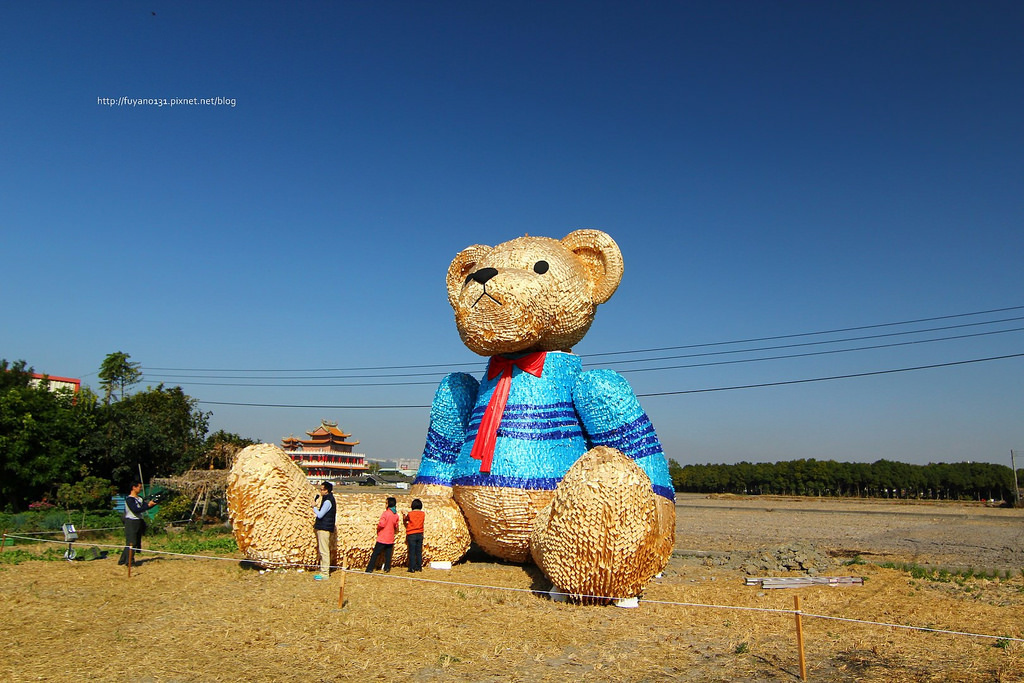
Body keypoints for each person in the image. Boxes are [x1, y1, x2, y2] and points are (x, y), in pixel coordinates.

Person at [118, 481, 156, 566]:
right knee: (132, 542)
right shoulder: (129, 499)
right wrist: (148, 506)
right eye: (139, 487)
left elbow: (143, 508)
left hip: (139, 521)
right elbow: (135, 510)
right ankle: (129, 562)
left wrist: (151, 504)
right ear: (133, 488)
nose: (140, 488)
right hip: (131, 521)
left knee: (134, 542)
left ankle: (122, 560)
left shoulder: (140, 498)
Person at [365, 496, 399, 573]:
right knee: (388, 555)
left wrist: (378, 528)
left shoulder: (386, 513)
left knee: (375, 553)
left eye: (386, 503)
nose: (385, 504)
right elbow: (396, 526)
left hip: (383, 537)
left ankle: (369, 568)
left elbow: (382, 524)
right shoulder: (396, 515)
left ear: (388, 504)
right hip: (390, 538)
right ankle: (387, 568)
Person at [312, 481, 336, 581]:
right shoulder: (328, 499)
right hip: (325, 527)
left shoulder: (327, 501)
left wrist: (313, 507)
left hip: (324, 528)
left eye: (322, 489)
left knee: (324, 551)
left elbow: (320, 514)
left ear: (326, 491)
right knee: (323, 550)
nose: (320, 491)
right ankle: (323, 571)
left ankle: (325, 573)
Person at [403, 498, 425, 573]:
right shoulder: (423, 514)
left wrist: (404, 514)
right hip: (420, 534)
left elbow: (406, 519)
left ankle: (411, 568)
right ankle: (419, 567)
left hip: (411, 534)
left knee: (412, 551)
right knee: (418, 551)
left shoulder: (410, 514)